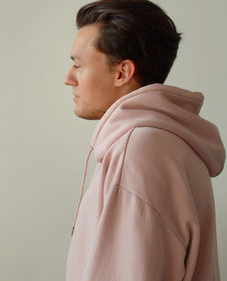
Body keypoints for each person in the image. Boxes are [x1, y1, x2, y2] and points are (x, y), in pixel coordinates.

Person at [63, 1, 225, 280]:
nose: (68, 79)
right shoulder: (168, 142)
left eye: (78, 65)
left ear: (122, 73)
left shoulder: (138, 150)